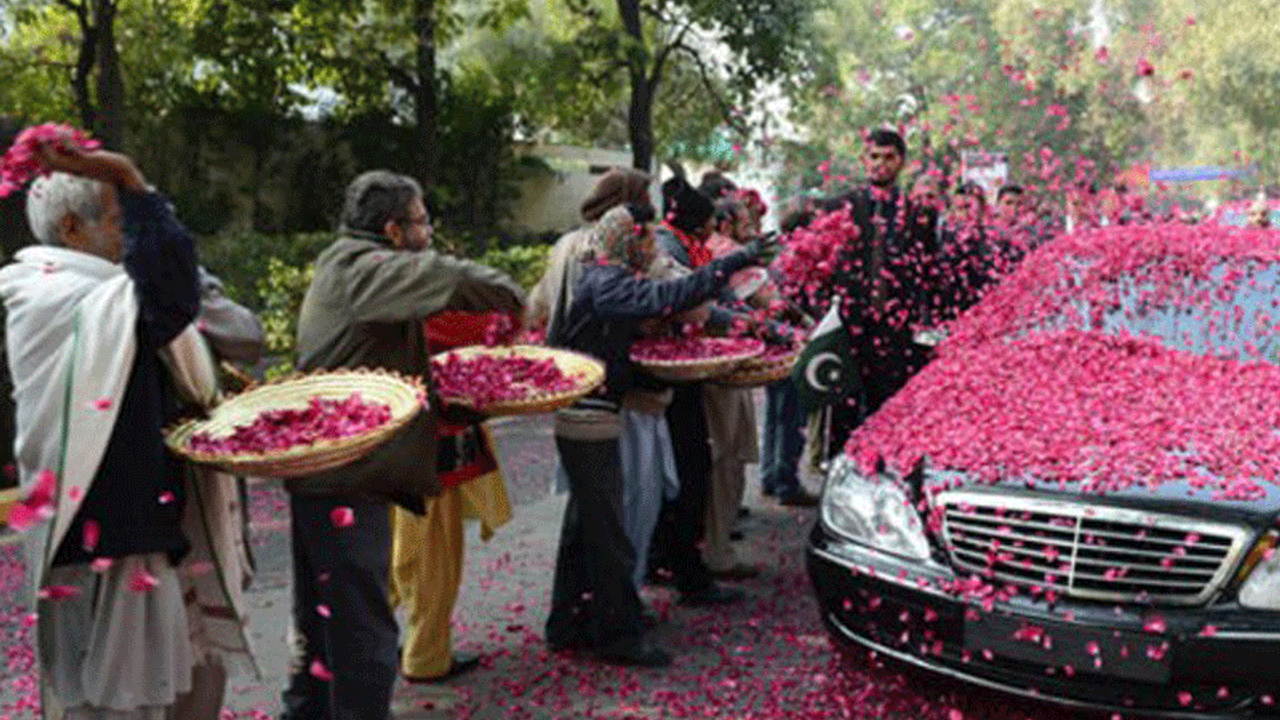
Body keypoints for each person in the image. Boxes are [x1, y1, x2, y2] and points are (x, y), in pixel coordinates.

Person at [0, 136, 254, 719]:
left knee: (163, 690)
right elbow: (170, 300)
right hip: (109, 536)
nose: (128, 236)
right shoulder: (58, 296)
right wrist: (130, 178)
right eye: (120, 221)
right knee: (114, 705)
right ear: (72, 229)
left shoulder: (98, 293)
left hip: (140, 527)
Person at [281, 170, 524, 720]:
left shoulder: (346, 264)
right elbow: (452, 278)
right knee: (359, 628)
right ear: (392, 231)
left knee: (325, 625)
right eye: (420, 222)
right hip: (344, 475)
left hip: (335, 470)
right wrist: (514, 296)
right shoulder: (365, 268)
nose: (429, 232)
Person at [545, 203, 777, 666]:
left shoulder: (603, 274)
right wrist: (732, 262)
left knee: (584, 528)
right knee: (608, 533)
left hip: (590, 414)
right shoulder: (606, 280)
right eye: (644, 238)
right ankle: (617, 636)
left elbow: (671, 296)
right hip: (589, 419)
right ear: (624, 241)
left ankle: (567, 624)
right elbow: (665, 297)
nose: (652, 245)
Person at [388, 310, 515, 683]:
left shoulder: (365, 288)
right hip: (430, 447)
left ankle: (371, 644)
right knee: (434, 558)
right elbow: (483, 329)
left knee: (392, 552)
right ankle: (425, 657)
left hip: (391, 440)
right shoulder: (429, 298)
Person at [813, 128, 941, 461]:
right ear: (863, 160)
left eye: (888, 158)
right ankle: (838, 492)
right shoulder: (838, 207)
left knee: (890, 414)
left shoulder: (921, 214)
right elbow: (818, 266)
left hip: (896, 333)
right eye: (874, 157)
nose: (880, 165)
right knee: (842, 417)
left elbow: (929, 273)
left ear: (902, 163)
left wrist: (925, 325)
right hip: (848, 326)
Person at [648, 175, 747, 606]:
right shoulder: (665, 248)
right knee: (686, 472)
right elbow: (692, 302)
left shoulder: (682, 244)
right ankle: (685, 568)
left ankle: (670, 558)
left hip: (676, 375)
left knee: (678, 472)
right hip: (667, 379)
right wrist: (746, 323)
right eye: (707, 223)